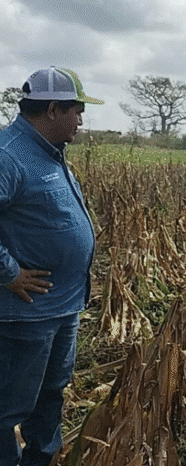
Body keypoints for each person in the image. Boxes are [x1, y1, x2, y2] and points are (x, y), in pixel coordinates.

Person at [0, 67, 102, 466]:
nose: (81, 120)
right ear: (54, 109)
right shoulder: (8, 155)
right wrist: (9, 273)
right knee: (9, 408)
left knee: (52, 394)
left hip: (63, 306)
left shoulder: (50, 152)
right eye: (77, 111)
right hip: (27, 313)